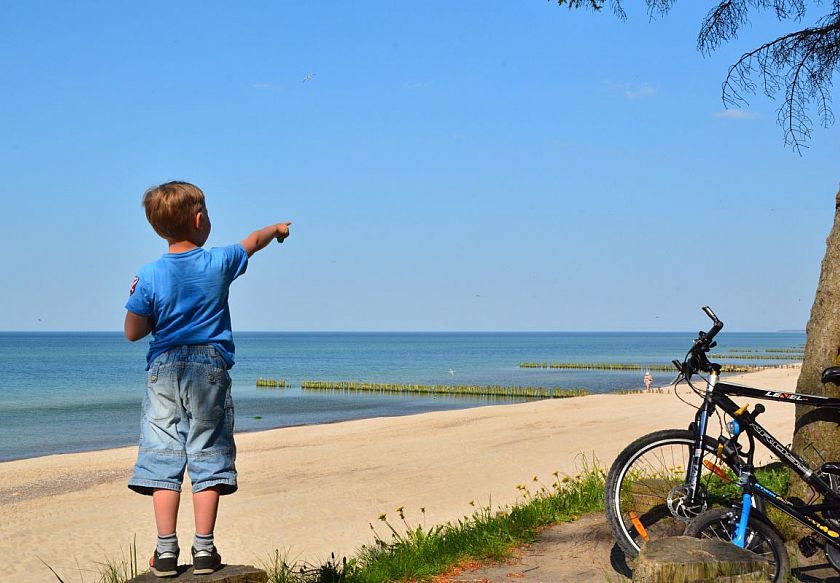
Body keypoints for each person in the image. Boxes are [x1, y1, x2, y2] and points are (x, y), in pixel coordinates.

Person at [124, 181, 291, 577]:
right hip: (209, 369)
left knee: (163, 452)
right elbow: (253, 241)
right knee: (207, 452)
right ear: (200, 221)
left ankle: (165, 552)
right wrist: (278, 230)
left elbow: (132, 331)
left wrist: (155, 311)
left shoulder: (148, 274)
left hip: (163, 370)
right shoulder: (218, 262)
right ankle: (204, 550)